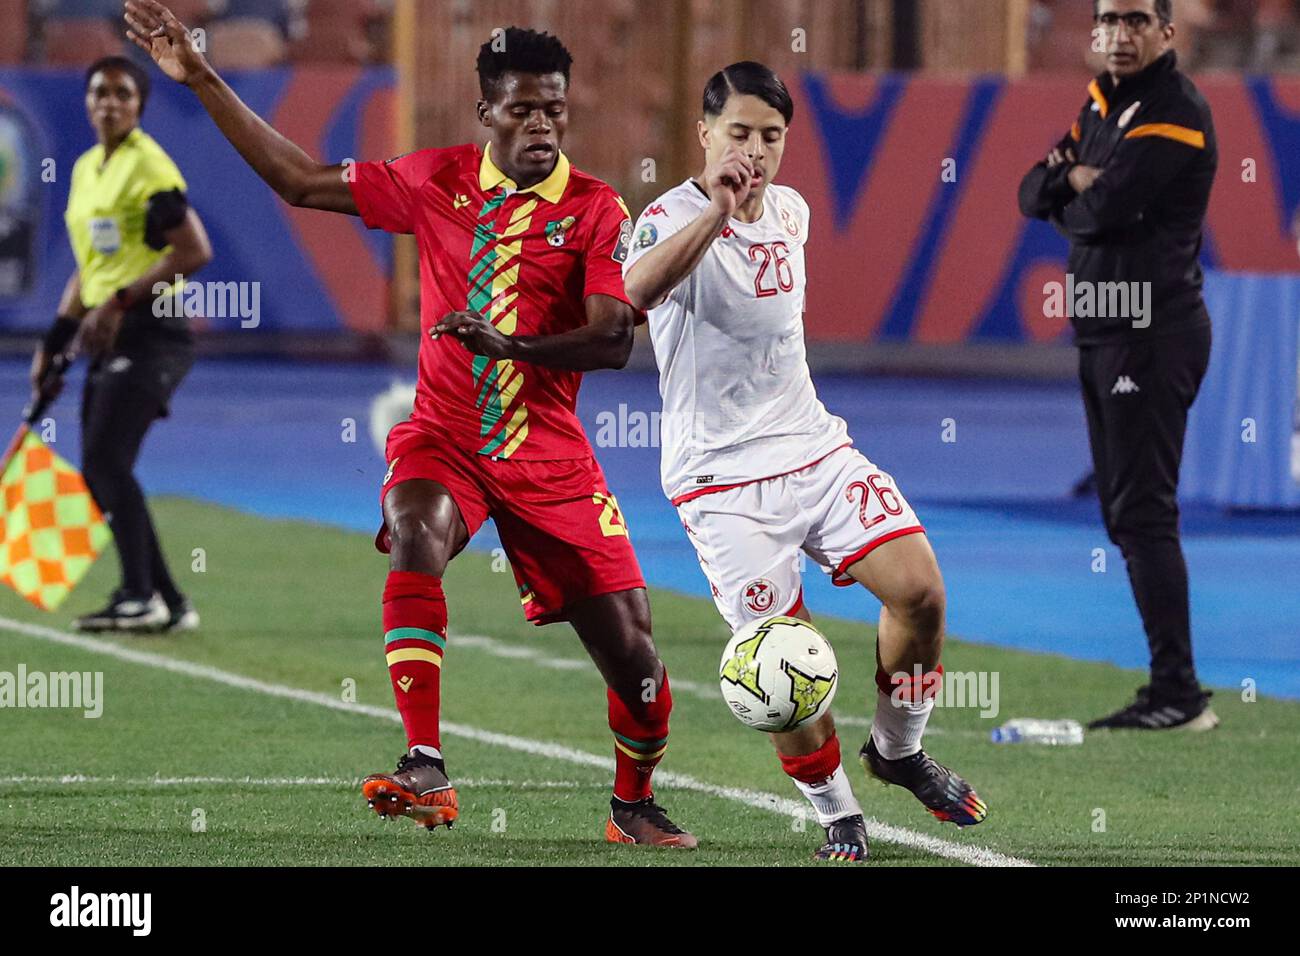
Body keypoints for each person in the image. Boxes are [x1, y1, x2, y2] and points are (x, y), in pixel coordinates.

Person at [125, 1, 697, 846]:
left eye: (554, 109)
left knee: (636, 661)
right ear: (486, 113)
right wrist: (203, 75)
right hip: (447, 437)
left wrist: (506, 341)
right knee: (414, 524)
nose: (542, 124)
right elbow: (299, 182)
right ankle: (423, 761)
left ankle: (633, 803)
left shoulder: (595, 209)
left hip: (549, 456)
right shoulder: (436, 180)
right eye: (523, 109)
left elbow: (613, 340)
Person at [623, 62, 987, 862]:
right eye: (740, 132)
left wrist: (745, 206)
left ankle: (896, 752)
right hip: (721, 483)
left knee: (921, 590)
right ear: (705, 133)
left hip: (815, 449)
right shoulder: (665, 217)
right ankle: (837, 813)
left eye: (772, 136)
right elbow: (638, 291)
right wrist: (716, 211)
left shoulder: (792, 209)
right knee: (785, 663)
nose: (755, 151)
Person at [1018, 0, 1219, 730]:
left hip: (1151, 332)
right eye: (1109, 20)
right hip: (1107, 331)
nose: (1120, 33)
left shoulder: (1173, 111)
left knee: (1142, 511)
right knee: (1125, 514)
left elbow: (1097, 210)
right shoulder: (1104, 101)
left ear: (1169, 32)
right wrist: (1072, 181)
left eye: (1137, 19)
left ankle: (1178, 693)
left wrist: (1074, 183)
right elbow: (1029, 189)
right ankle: (1172, 686)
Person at [32, 55, 210, 633]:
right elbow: (90, 268)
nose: (109, 102)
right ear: (87, 102)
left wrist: (119, 302)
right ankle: (168, 602)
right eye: (100, 93)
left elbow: (193, 252)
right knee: (98, 469)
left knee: (108, 462)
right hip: (107, 330)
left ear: (139, 105)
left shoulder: (150, 170)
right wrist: (55, 340)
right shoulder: (86, 170)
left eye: (122, 94)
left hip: (153, 329)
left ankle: (140, 595)